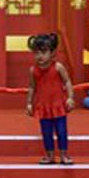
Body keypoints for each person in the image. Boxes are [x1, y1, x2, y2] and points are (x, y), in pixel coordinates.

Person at [26, 33, 75, 165]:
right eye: (36, 53)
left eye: (43, 52)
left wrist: (70, 97)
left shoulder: (58, 67)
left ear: (52, 53)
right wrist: (29, 103)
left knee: (62, 131)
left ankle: (64, 154)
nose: (39, 56)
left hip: (58, 106)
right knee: (46, 132)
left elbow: (68, 82)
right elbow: (32, 87)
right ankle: (49, 155)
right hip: (43, 107)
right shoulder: (33, 70)